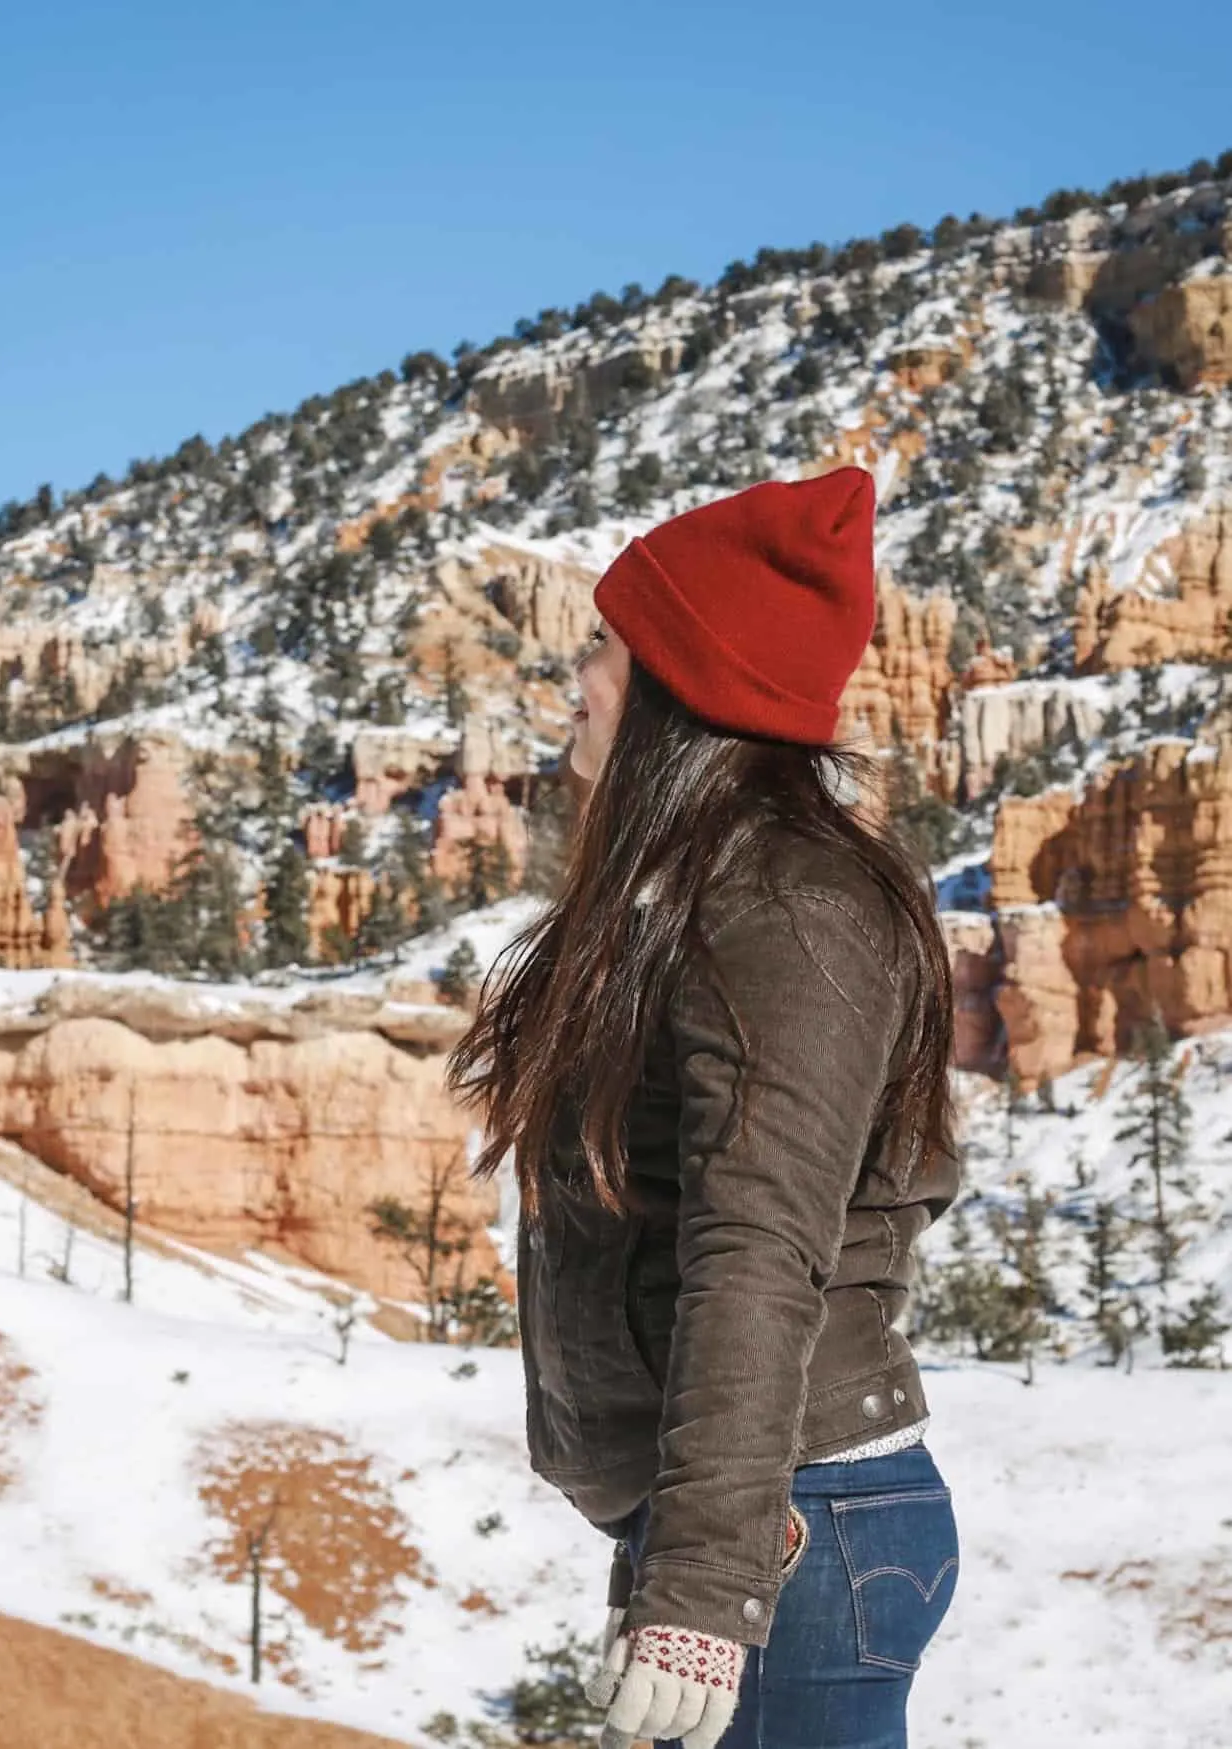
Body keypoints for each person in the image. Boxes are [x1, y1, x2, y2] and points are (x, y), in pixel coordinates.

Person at [447, 467, 961, 1749]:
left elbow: (758, 1250)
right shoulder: (698, 896)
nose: (577, 678)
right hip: (746, 1523)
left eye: (606, 649)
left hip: (792, 1530)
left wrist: (702, 1589)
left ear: (684, 682)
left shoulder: (786, 906)